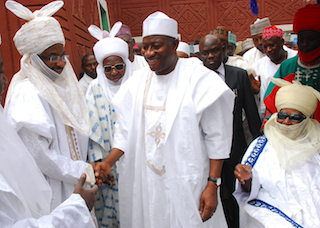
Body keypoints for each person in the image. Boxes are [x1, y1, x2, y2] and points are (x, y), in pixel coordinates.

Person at [94, 11, 235, 228]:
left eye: (156, 46)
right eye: (145, 46)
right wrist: (108, 163)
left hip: (190, 178)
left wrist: (213, 184)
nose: (149, 52)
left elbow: (217, 138)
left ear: (174, 44)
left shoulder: (200, 80)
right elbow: (124, 133)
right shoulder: (136, 83)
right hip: (147, 182)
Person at [4, 0, 95, 211]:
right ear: (34, 58)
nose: (61, 63)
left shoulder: (58, 85)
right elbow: (39, 155)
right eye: (52, 57)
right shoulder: (27, 92)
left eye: (62, 55)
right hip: (52, 191)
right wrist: (82, 170)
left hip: (74, 182)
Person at [234, 78, 320, 227]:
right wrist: (248, 180)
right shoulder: (261, 146)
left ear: (307, 120)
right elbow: (249, 191)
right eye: (282, 116)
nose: (286, 122)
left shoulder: (316, 147)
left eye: (295, 118)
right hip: (272, 216)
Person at [199, 34, 261, 228]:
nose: (210, 56)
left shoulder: (238, 75)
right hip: (205, 150)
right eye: (205, 53)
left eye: (215, 51)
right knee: (212, 191)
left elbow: (251, 112)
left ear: (225, 50)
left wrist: (259, 145)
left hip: (235, 146)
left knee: (235, 191)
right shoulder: (195, 79)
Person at [86, 23, 133, 228]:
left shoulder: (137, 85)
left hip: (135, 163)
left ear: (126, 64)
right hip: (107, 167)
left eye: (119, 66)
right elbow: (91, 132)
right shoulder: (94, 89)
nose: (114, 72)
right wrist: (100, 166)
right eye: (108, 68)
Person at [263, 4, 320, 125]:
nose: (304, 44)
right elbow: (271, 101)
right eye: (301, 39)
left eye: (311, 39)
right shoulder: (287, 66)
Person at [253, 25, 297, 119]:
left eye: (272, 45)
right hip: (270, 114)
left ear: (281, 42)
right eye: (265, 47)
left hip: (295, 113)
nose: (269, 50)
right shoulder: (259, 65)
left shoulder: (296, 59)